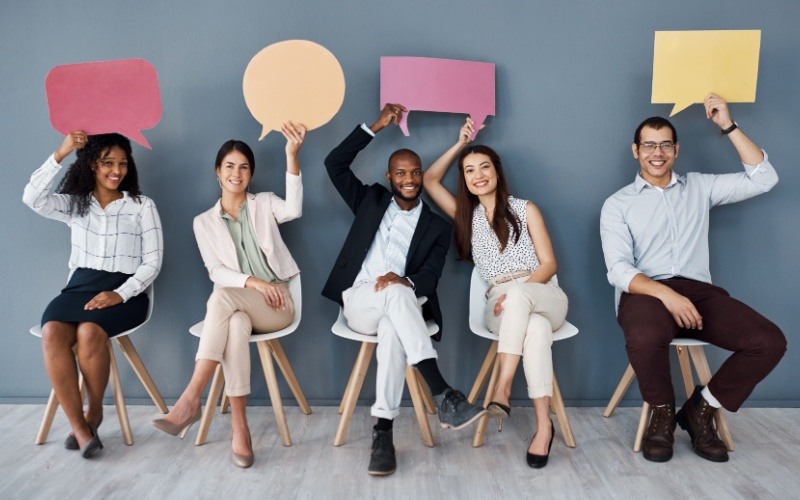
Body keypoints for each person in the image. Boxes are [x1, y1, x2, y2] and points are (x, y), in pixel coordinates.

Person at [600, 93, 786, 463]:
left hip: (700, 292)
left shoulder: (700, 187)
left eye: (665, 145)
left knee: (769, 341)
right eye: (649, 145)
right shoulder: (618, 204)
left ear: (677, 150)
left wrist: (727, 125)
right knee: (645, 334)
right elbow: (619, 269)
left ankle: (701, 408)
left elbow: (765, 178)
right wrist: (667, 297)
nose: (658, 152)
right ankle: (662, 413)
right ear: (635, 151)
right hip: (645, 291)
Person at [323, 104, 486, 476]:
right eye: (401, 173)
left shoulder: (436, 227)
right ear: (390, 176)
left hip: (401, 307)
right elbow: (334, 164)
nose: (409, 179)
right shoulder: (370, 202)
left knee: (394, 326)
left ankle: (383, 433)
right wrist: (376, 125)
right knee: (396, 297)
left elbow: (429, 275)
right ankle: (443, 392)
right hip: (360, 300)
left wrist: (405, 281)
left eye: (415, 173)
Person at [152, 123, 306, 468]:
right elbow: (215, 270)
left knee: (221, 298)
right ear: (217, 172)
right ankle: (241, 429)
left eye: (244, 167)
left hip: (277, 304)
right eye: (229, 166)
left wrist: (291, 155)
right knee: (234, 322)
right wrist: (253, 282)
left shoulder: (264, 204)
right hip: (243, 303)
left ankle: (191, 397)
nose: (237, 173)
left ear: (251, 173)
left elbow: (294, 210)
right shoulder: (203, 222)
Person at [423, 118, 569, 468]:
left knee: (522, 301)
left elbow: (549, 265)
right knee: (533, 330)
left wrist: (519, 289)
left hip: (544, 293)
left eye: (484, 167)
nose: (478, 175)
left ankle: (502, 387)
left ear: (497, 172)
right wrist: (460, 143)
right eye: (469, 171)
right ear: (466, 180)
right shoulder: (465, 216)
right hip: (498, 305)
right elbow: (429, 180)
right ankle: (544, 427)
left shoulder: (525, 208)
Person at [23, 131, 163, 459]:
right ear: (91, 164)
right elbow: (33, 198)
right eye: (107, 163)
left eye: (122, 163)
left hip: (126, 293)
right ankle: (79, 427)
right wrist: (61, 152)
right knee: (52, 331)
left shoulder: (142, 207)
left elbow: (153, 262)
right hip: (78, 288)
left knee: (88, 332)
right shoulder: (76, 204)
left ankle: (95, 410)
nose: (116, 170)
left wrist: (120, 293)